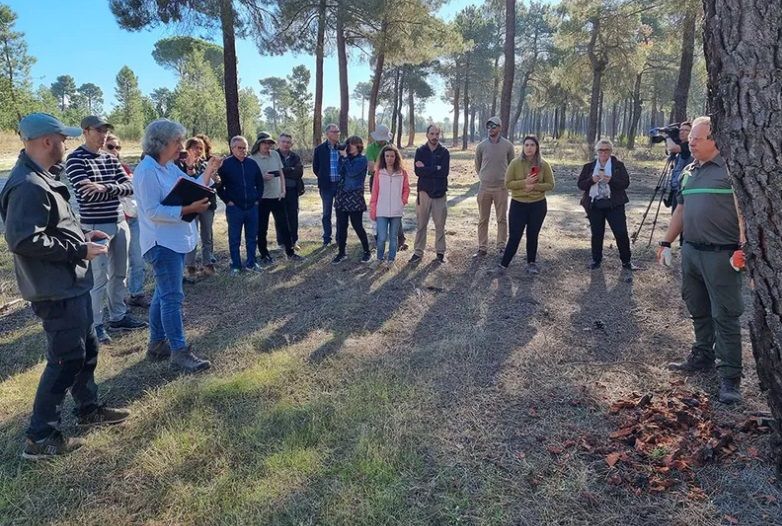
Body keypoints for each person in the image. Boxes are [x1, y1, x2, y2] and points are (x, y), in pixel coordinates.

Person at [0, 113, 130, 459]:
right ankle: (40, 436)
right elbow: (23, 239)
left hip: (70, 283)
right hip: (54, 288)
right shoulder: (27, 184)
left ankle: (88, 410)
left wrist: (82, 235)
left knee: (85, 351)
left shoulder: (43, 177)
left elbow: (51, 228)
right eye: (62, 138)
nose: (66, 144)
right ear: (46, 141)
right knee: (64, 359)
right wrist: (78, 249)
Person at [657, 116, 746, 404]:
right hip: (691, 252)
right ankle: (702, 354)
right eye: (690, 138)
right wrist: (666, 242)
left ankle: (730, 376)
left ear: (715, 140)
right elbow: (681, 211)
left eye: (697, 138)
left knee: (726, 315)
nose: (690, 142)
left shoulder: (730, 172)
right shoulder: (688, 171)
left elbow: (743, 214)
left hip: (722, 255)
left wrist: (744, 247)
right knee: (696, 306)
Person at [134, 119, 221, 373]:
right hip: (161, 244)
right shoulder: (147, 171)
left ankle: (156, 345)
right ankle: (179, 352)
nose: (181, 146)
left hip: (174, 241)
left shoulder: (168, 168)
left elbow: (192, 186)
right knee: (172, 297)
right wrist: (187, 209)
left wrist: (210, 170)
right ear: (161, 143)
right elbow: (152, 211)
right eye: (177, 142)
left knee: (163, 294)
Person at [65, 116, 147, 344]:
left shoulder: (111, 159)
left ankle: (118, 315)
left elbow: (131, 186)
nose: (102, 135)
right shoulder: (75, 159)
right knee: (99, 277)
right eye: (98, 131)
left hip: (120, 222)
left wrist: (105, 186)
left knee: (120, 273)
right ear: (86, 131)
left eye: (105, 131)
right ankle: (96, 324)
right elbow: (86, 194)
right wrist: (112, 189)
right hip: (95, 225)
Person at [103, 133, 148, 308]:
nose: (115, 151)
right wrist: (120, 188)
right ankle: (117, 301)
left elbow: (133, 189)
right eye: (111, 147)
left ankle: (136, 293)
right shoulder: (98, 169)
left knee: (138, 260)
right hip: (113, 221)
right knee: (117, 266)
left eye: (118, 147)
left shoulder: (124, 168)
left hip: (132, 219)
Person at [499, 135, 554, 273]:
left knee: (532, 234)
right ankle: (503, 265)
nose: (529, 148)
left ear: (537, 148)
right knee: (515, 236)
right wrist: (525, 183)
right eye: (527, 145)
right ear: (523, 147)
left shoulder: (544, 164)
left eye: (532, 145)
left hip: (538, 205)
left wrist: (534, 187)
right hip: (518, 204)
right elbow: (507, 183)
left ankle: (531, 263)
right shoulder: (515, 163)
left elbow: (551, 185)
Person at [577, 139, 635, 271]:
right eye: (601, 150)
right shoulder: (588, 167)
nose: (603, 152)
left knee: (620, 233)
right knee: (597, 233)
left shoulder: (618, 165)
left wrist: (612, 180)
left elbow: (625, 183)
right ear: (597, 151)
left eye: (606, 150)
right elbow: (580, 185)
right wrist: (591, 180)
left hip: (614, 205)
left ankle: (626, 261)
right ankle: (596, 260)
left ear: (610, 151)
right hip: (595, 205)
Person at [250, 132, 303, 265]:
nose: (267, 145)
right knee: (262, 228)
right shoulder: (252, 159)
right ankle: (264, 254)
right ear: (259, 144)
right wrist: (261, 177)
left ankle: (290, 252)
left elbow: (280, 173)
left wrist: (283, 189)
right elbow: (250, 179)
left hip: (277, 196)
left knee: (284, 225)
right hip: (262, 198)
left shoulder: (274, 154)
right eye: (264, 143)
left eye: (269, 143)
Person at [216, 136, 265, 273]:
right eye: (239, 148)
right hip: (235, 208)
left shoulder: (252, 163)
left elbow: (260, 183)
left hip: (252, 207)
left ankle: (251, 263)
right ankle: (236, 265)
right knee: (234, 238)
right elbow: (219, 186)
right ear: (232, 149)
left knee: (251, 237)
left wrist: (257, 199)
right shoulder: (225, 165)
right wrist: (227, 201)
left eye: (245, 148)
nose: (243, 150)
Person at [175, 137, 219, 280]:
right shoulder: (179, 165)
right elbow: (188, 183)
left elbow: (211, 185)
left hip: (207, 204)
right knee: (190, 237)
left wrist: (216, 179)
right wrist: (190, 167)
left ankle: (208, 265)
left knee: (207, 236)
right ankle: (190, 268)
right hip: (190, 207)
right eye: (195, 148)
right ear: (188, 149)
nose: (199, 151)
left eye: (201, 148)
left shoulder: (205, 164)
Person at [474, 116, 515, 257]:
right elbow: (478, 166)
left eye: (494, 126)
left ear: (500, 127)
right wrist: (484, 177)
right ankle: (482, 248)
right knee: (483, 219)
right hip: (484, 188)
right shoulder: (481, 146)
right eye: (489, 126)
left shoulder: (508, 146)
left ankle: (501, 246)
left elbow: (511, 165)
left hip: (501, 188)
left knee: (501, 219)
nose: (491, 129)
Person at [410, 125, 450, 264]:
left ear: (440, 135)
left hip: (440, 194)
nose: (434, 136)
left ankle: (440, 253)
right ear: (427, 135)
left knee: (440, 225)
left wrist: (427, 169)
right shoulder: (420, 151)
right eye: (432, 133)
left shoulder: (444, 152)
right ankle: (418, 252)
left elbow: (444, 172)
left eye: (437, 134)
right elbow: (418, 172)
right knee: (421, 224)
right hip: (424, 193)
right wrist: (435, 168)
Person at [365, 124, 408, 251]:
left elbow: (398, 164)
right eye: (380, 138)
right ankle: (378, 238)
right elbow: (372, 168)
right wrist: (385, 168)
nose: (382, 140)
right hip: (378, 179)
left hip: (393, 178)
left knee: (396, 210)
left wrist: (386, 167)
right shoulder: (371, 149)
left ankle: (400, 239)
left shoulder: (391, 148)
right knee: (378, 209)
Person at [333, 136, 371, 264]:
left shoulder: (362, 159)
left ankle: (367, 251)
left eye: (351, 144)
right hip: (341, 195)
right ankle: (341, 252)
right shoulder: (344, 157)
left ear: (358, 146)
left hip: (354, 196)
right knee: (341, 225)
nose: (348, 146)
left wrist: (344, 158)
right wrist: (342, 157)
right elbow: (339, 171)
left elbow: (352, 172)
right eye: (348, 144)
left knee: (357, 226)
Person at [370, 144, 410, 265]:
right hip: (381, 210)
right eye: (387, 156)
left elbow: (406, 189)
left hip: (396, 211)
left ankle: (391, 260)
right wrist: (373, 208)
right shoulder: (379, 173)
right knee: (381, 238)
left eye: (392, 156)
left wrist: (402, 202)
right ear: (383, 157)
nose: (389, 158)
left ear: (396, 157)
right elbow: (375, 192)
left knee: (393, 238)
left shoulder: (402, 173)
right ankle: (379, 259)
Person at [312, 123, 341, 245]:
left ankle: (340, 238)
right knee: (326, 213)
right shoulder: (319, 149)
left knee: (341, 213)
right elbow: (315, 167)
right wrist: (324, 177)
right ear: (327, 134)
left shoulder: (343, 148)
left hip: (340, 186)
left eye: (338, 131)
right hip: (326, 187)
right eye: (334, 132)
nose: (337, 133)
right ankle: (327, 238)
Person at [275, 132, 304, 251]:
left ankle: (294, 241)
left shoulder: (295, 157)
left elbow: (299, 172)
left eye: (288, 142)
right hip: (277, 191)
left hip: (292, 191)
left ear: (291, 144)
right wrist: (289, 170)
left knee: (293, 216)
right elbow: (274, 172)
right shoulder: (273, 155)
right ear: (278, 142)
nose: (286, 144)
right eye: (283, 141)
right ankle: (282, 242)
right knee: (281, 217)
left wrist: (283, 171)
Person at [666, 121, 692, 213]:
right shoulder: (682, 144)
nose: (682, 132)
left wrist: (667, 136)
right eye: (681, 130)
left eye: (686, 130)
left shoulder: (690, 145)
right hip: (677, 188)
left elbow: (673, 148)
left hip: (685, 189)